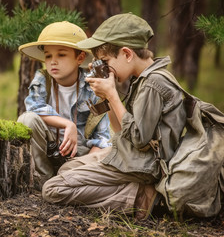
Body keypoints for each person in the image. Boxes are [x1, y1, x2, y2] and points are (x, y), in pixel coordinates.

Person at [42, 13, 187, 220]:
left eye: (106, 61)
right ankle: (132, 189)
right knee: (67, 168)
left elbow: (138, 139)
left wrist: (112, 94)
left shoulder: (155, 84)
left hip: (144, 165)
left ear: (127, 54)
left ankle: (141, 199)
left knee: (53, 189)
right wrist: (106, 97)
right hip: (130, 155)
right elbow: (120, 130)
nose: (104, 67)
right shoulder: (142, 80)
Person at [17, 21, 112, 188]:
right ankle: (43, 180)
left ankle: (69, 180)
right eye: (48, 56)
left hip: (80, 155)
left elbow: (102, 137)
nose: (53, 61)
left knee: (109, 149)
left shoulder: (93, 86)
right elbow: (33, 107)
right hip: (47, 148)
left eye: (61, 55)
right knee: (27, 119)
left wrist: (87, 165)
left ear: (80, 58)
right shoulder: (42, 78)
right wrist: (68, 124)